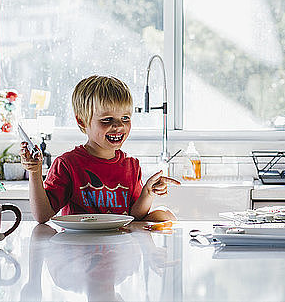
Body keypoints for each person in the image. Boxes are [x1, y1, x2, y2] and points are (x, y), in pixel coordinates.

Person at [20, 75, 180, 223]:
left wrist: (148, 192)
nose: (119, 126)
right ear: (82, 122)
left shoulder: (131, 165)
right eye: (107, 119)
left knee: (163, 213)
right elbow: (42, 216)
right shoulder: (68, 164)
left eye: (125, 118)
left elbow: (134, 217)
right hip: (80, 246)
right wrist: (35, 172)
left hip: (120, 246)